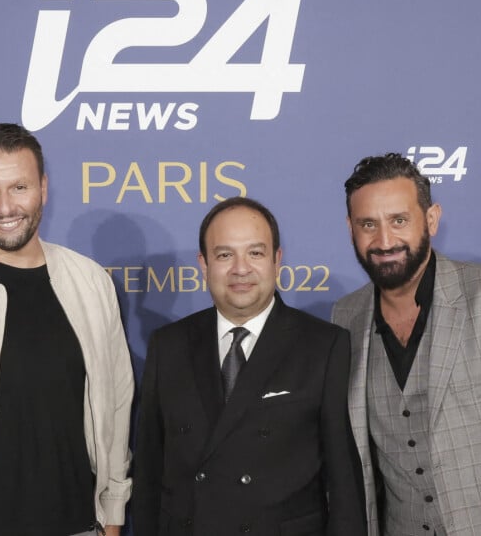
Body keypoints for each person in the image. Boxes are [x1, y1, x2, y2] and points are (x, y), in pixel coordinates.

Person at [0, 124, 134, 536]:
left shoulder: (89, 281)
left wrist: (112, 514)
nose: (5, 207)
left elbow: (117, 403)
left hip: (80, 526)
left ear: (43, 187)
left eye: (19, 187)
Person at [132, 196, 366, 536]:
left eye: (255, 253)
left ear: (277, 260)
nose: (240, 269)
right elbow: (149, 472)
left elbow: (343, 481)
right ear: (204, 264)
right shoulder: (168, 345)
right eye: (225, 255)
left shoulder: (323, 345)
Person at [332, 153, 481, 536]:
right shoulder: (345, 316)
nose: (385, 240)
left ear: (431, 219)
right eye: (368, 224)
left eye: (399, 220)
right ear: (350, 228)